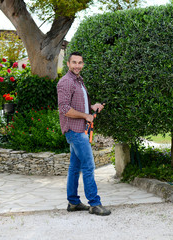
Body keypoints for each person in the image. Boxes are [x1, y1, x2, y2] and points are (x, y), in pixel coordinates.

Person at [57, 51, 111, 216]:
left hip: (79, 129)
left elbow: (79, 104)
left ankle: (73, 202)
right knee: (88, 166)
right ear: (68, 64)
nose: (77, 66)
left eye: (80, 62)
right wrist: (85, 115)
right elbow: (64, 108)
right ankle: (94, 204)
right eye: (74, 62)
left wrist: (91, 107)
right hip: (75, 130)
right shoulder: (66, 82)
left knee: (75, 168)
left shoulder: (78, 81)